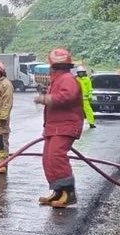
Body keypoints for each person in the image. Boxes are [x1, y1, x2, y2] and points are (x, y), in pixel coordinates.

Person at [33, 48, 84, 208]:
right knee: (48, 159)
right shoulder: (59, 79)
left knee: (56, 157)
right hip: (54, 127)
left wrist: (45, 99)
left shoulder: (67, 79)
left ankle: (68, 193)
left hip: (65, 126)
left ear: (53, 65)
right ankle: (58, 191)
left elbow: (67, 96)